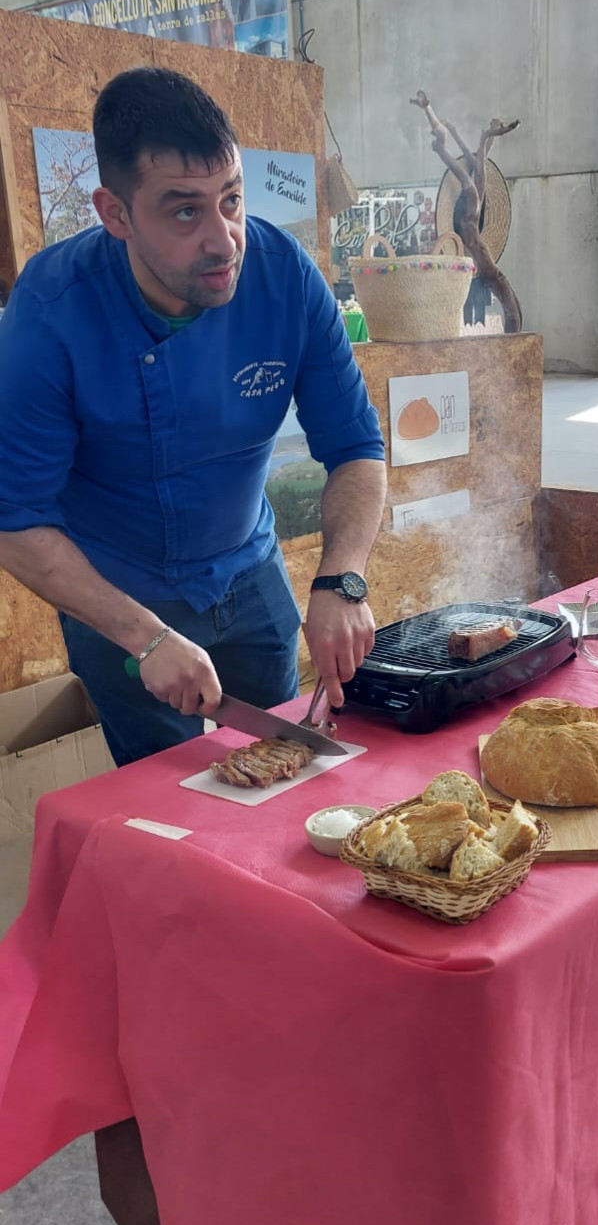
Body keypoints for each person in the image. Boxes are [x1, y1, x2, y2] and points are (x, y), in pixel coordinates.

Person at [0, 67, 386, 767]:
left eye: (231, 201)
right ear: (114, 213)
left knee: (282, 770)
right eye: (185, 211)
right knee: (167, 799)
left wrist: (342, 578)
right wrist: (143, 636)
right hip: (117, 596)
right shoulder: (51, 310)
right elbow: (16, 520)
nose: (224, 239)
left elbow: (357, 445)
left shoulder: (286, 276)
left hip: (248, 569)